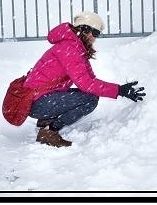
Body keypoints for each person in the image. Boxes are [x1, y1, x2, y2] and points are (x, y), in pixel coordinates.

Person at [24, 11, 146, 148]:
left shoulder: (74, 47)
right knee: (90, 99)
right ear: (84, 29)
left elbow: (90, 79)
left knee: (88, 95)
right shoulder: (69, 48)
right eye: (94, 33)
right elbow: (86, 84)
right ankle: (49, 131)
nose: (94, 38)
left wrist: (119, 89)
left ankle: (45, 120)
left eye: (97, 34)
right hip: (37, 102)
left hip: (40, 98)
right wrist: (119, 90)